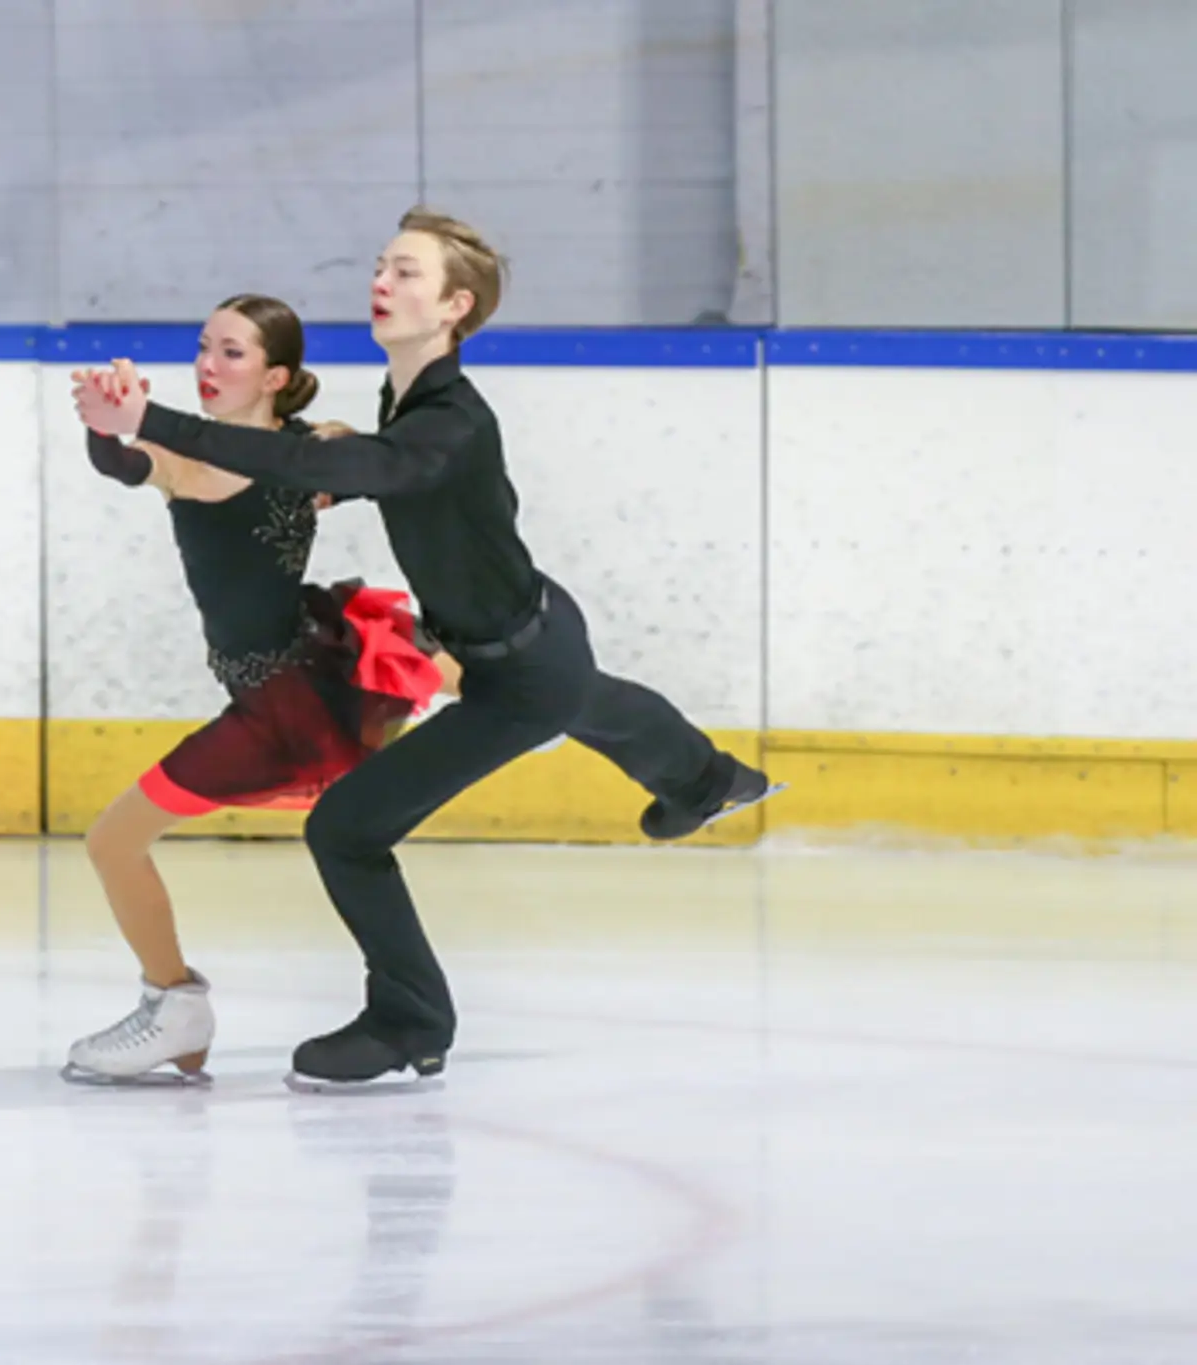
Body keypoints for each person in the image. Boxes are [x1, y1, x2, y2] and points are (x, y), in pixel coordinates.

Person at [71, 208, 782, 1091]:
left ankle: (411, 1021)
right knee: (587, 697)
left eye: (406, 272)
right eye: (381, 265)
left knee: (349, 827)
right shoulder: (404, 403)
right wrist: (135, 432)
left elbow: (345, 469)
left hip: (519, 667)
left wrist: (158, 418)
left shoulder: (448, 423)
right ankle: (708, 780)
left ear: (455, 306)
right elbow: (316, 469)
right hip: (520, 640)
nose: (381, 281)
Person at [62, 293, 450, 1087]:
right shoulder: (185, 457)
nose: (208, 365)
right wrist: (103, 426)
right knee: (412, 651)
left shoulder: (313, 449)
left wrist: (347, 479)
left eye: (232, 352)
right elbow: (125, 462)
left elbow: (390, 471)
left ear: (276, 375)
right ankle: (543, 709)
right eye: (204, 347)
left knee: (112, 842)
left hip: (283, 700)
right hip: (285, 679)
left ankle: (174, 1004)